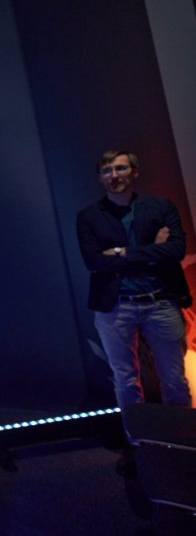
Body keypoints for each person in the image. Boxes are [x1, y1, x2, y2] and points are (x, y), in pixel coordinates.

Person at [76, 150, 192, 409]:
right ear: (100, 178)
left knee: (174, 379)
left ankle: (183, 442)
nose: (114, 175)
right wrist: (152, 252)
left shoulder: (161, 207)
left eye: (120, 168)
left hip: (161, 301)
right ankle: (139, 441)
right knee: (125, 379)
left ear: (134, 172)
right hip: (116, 306)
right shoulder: (89, 216)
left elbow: (175, 250)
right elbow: (94, 262)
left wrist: (121, 252)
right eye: (107, 171)